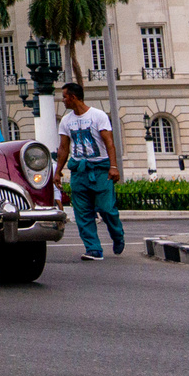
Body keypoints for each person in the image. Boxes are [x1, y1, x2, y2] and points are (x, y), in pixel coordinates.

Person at [54, 82, 124, 261]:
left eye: (64, 96)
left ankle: (117, 235)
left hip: (100, 169)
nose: (63, 100)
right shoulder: (66, 120)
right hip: (79, 170)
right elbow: (63, 148)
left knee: (107, 209)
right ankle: (93, 248)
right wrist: (58, 171)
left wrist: (113, 167)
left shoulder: (97, 115)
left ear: (73, 97)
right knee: (82, 212)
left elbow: (109, 142)